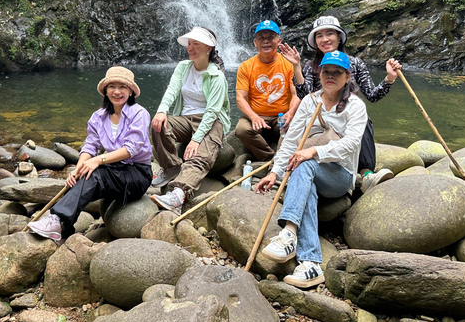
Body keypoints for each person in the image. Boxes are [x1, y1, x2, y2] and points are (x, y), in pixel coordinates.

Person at [256, 51, 367, 288]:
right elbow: (291, 139)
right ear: (320, 73)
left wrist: (314, 152)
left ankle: (288, 233)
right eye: (327, 71)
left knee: (304, 163)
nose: (331, 76)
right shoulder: (310, 101)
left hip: (340, 175)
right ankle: (311, 264)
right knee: (305, 180)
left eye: (337, 72)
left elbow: (351, 145)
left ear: (347, 77)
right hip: (310, 172)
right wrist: (274, 172)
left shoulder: (355, 107)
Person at [27, 66, 152, 240]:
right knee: (85, 174)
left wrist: (98, 161)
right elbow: (90, 146)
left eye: (122, 87)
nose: (117, 91)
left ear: (131, 91)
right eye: (112, 87)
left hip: (137, 174)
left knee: (96, 173)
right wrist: (79, 169)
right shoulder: (98, 117)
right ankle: (63, 227)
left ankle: (56, 218)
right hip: (113, 170)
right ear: (105, 91)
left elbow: (131, 149)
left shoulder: (139, 113)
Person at [280, 15, 401, 192]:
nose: (325, 39)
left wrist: (389, 78)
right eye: (319, 35)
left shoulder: (355, 64)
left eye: (330, 34)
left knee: (364, 119)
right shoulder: (311, 66)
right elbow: (305, 95)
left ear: (339, 37)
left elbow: (372, 95)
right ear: (314, 41)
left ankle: (366, 174)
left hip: (346, 119)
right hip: (319, 121)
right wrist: (297, 67)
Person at [149, 26, 230, 215]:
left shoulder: (217, 76)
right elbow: (172, 90)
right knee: (159, 125)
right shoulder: (183, 67)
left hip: (212, 121)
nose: (190, 48)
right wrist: (162, 111)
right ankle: (171, 168)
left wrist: (196, 139)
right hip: (186, 119)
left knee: (199, 155)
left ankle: (178, 195)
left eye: (196, 44)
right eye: (189, 43)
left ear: (209, 48)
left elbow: (212, 111)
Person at [235, 20, 301, 161]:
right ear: (255, 42)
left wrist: (290, 113)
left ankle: (286, 158)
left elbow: (296, 94)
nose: (266, 41)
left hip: (281, 116)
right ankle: (271, 159)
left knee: (298, 126)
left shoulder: (289, 64)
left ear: (279, 41)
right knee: (241, 129)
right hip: (257, 116)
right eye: (261, 38)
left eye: (270, 37)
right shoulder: (246, 66)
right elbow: (240, 98)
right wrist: (253, 117)